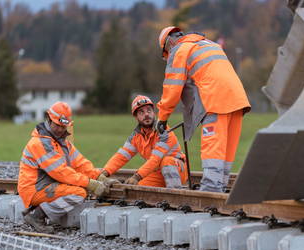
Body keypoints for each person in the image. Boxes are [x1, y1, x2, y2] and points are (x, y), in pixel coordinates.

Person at [155, 26, 251, 192]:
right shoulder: (208, 44)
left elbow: (172, 89)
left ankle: (210, 190)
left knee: (213, 146)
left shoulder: (179, 50)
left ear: (169, 44)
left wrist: (162, 118)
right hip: (237, 99)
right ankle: (220, 185)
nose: (168, 56)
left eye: (167, 53)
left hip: (215, 99)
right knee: (226, 148)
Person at [18, 101, 119, 233]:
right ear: (49, 119)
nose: (60, 129)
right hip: (34, 189)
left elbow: (80, 163)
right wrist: (90, 184)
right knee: (79, 193)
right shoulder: (41, 143)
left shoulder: (62, 142)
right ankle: (37, 217)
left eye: (63, 126)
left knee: (80, 186)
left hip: (44, 185)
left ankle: (39, 212)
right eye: (58, 125)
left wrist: (100, 177)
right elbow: (60, 172)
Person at [101, 95, 188, 188]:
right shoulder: (135, 136)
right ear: (136, 117)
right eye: (141, 112)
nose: (146, 114)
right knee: (137, 189)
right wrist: (105, 172)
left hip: (177, 170)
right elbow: (121, 156)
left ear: (154, 113)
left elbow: (155, 159)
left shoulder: (164, 132)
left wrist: (137, 176)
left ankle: (175, 194)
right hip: (157, 172)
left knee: (167, 161)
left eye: (149, 110)